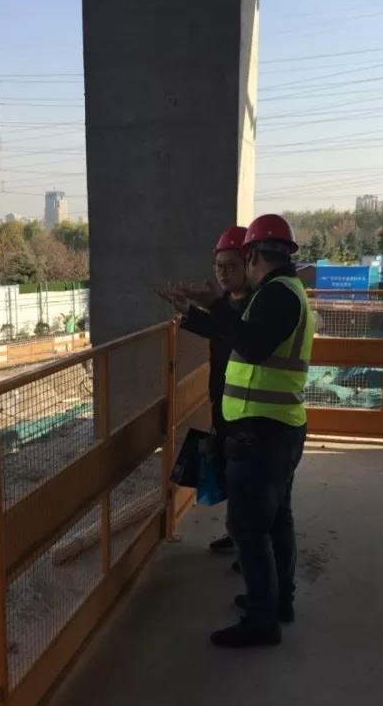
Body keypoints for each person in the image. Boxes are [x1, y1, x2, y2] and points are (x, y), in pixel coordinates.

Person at [201, 214, 315, 649]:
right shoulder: (281, 291)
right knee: (276, 519)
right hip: (274, 428)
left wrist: (216, 305)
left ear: (251, 255)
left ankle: (263, 620)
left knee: (249, 529)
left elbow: (250, 345)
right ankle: (275, 601)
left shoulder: (278, 295)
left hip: (263, 433)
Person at [159, 227, 251, 554]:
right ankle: (238, 534)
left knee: (249, 481)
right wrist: (187, 311)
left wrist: (209, 307)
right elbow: (216, 329)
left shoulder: (255, 305)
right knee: (232, 474)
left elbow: (235, 334)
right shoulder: (230, 302)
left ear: (249, 264)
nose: (223, 273)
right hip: (225, 399)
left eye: (231, 266)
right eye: (218, 267)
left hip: (249, 408)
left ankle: (250, 547)